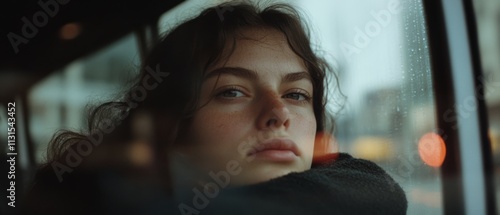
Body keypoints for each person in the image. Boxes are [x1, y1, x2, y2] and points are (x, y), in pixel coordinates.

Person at [21, 1, 407, 215]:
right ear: (166, 125)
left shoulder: (363, 187)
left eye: (296, 95)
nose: (279, 113)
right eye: (233, 92)